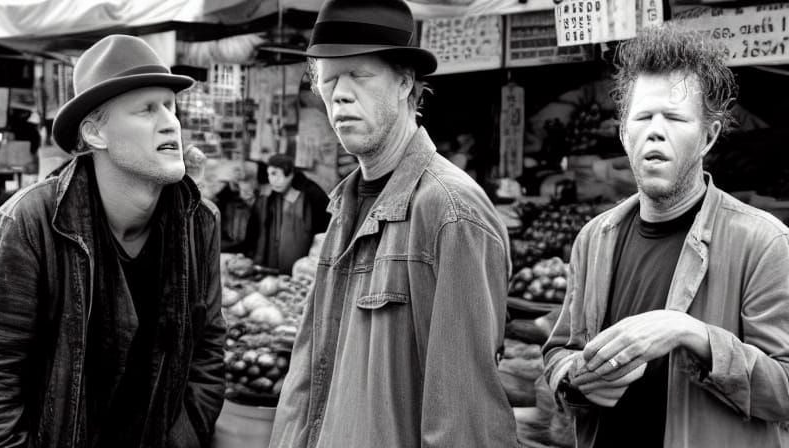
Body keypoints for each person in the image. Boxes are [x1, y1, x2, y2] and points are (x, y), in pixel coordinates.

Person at [269, 0, 518, 446]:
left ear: (405, 83)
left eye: (359, 76)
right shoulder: (344, 205)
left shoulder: (450, 212)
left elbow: (465, 421)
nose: (340, 94)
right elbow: (310, 381)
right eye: (328, 80)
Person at [0, 35, 225, 447]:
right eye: (146, 109)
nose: (170, 121)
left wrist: (184, 436)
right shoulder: (30, 223)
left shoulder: (199, 220)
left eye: (170, 106)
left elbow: (207, 348)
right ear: (95, 133)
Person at [542, 24, 789, 447]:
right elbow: (559, 352)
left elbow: (783, 389)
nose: (655, 131)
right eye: (643, 117)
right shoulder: (594, 238)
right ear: (624, 134)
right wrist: (576, 380)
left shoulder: (764, 241)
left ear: (708, 136)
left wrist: (691, 333)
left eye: (674, 118)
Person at [249, 153, 329, 273]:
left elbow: (323, 233)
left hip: (301, 270)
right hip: (269, 267)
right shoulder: (269, 194)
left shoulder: (311, 195)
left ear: (290, 175)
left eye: (276, 174)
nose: (272, 180)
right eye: (270, 174)